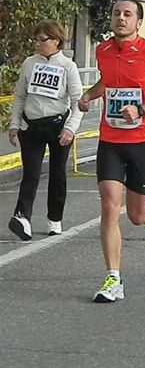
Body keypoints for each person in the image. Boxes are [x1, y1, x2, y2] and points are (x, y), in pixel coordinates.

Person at [77, 0, 145, 303]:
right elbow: (107, 82)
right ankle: (113, 278)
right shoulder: (104, 51)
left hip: (143, 140)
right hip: (110, 140)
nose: (120, 18)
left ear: (138, 23)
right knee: (109, 206)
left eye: (128, 14)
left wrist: (143, 109)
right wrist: (89, 95)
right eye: (116, 13)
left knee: (135, 215)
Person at [8, 20, 83, 240]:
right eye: (36, 40)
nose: (38, 44)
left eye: (42, 40)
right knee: (30, 174)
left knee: (57, 174)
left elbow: (78, 101)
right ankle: (23, 218)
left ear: (56, 41)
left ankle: (55, 219)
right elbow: (20, 96)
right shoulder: (29, 63)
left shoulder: (68, 66)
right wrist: (14, 124)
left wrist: (70, 128)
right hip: (31, 126)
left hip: (58, 126)